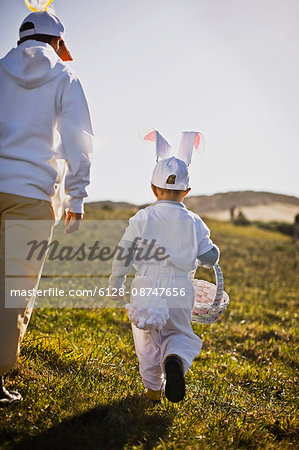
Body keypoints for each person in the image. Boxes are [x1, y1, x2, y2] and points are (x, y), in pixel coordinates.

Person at [0, 11, 93, 404]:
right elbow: (79, 141)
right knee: (13, 290)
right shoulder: (64, 77)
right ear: (57, 43)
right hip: (32, 193)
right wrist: (77, 196)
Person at [109, 147, 219, 404]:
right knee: (178, 332)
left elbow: (123, 252)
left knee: (146, 339)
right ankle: (175, 358)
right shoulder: (194, 221)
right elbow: (208, 258)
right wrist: (212, 252)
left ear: (152, 188)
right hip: (180, 284)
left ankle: (152, 391)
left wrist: (116, 282)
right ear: (187, 192)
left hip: (146, 284)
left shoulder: (142, 217)